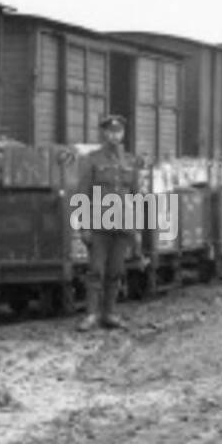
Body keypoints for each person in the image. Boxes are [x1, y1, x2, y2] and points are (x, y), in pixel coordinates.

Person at [76, 114, 141, 331]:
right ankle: (92, 315)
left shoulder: (130, 161)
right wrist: (84, 226)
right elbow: (83, 194)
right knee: (96, 271)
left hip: (123, 225)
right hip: (98, 225)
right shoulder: (92, 160)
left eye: (119, 131)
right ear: (104, 133)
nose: (115, 135)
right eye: (111, 131)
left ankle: (110, 314)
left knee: (115, 271)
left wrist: (137, 228)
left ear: (123, 134)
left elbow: (135, 195)